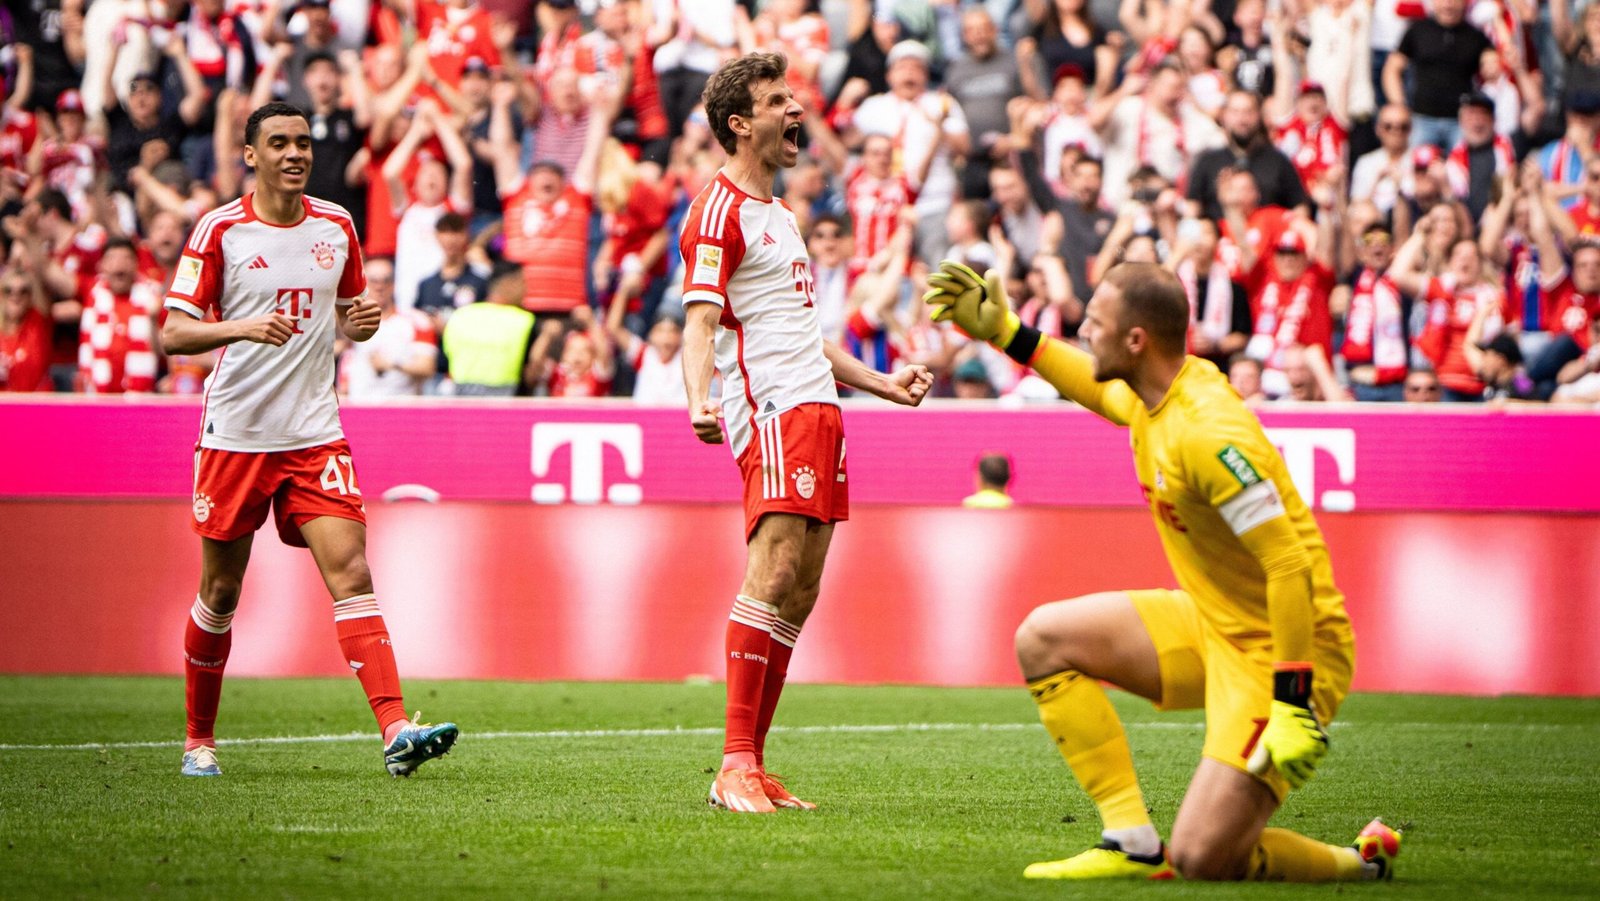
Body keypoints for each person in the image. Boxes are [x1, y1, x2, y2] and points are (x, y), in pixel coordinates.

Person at [921, 259, 1400, 882]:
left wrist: (1291, 699)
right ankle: (1130, 841)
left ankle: (1362, 865)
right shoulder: (1154, 397)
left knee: (1204, 858)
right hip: (1212, 625)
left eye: (1094, 322)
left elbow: (1288, 561)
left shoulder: (1209, 432)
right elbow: (1098, 390)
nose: (1083, 329)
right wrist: (1007, 331)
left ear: (1135, 339)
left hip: (1283, 650)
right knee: (1044, 638)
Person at [159, 102, 458, 778]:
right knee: (221, 592)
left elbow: (353, 319)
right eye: (279, 143)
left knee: (351, 572)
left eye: (302, 142)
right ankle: (198, 739)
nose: (295, 153)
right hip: (235, 436)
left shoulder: (338, 224)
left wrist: (365, 320)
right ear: (251, 155)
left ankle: (395, 730)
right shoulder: (222, 230)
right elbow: (174, 333)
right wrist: (240, 326)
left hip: (315, 434)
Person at [680, 52, 933, 814]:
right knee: (773, 569)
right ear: (739, 123)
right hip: (772, 409)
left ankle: (752, 762)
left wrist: (883, 384)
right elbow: (698, 321)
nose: (796, 110)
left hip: (820, 405)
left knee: (803, 587)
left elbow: (802, 329)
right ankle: (732, 764)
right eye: (777, 100)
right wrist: (698, 396)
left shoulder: (782, 216)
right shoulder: (716, 210)